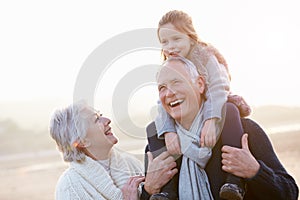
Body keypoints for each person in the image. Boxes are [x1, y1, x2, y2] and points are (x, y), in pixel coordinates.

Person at [146, 57, 299, 200]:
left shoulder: (243, 131)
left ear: (200, 84)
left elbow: (290, 193)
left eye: (177, 82)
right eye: (162, 88)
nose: (169, 93)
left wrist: (255, 171)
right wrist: (148, 189)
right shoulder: (158, 145)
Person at [153, 10, 249, 200]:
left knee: (230, 110)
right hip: (187, 115)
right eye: (164, 42)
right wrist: (169, 131)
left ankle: (235, 181)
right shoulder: (169, 64)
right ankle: (168, 190)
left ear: (190, 37)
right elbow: (162, 100)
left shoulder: (205, 56)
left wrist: (211, 120)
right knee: (153, 129)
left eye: (176, 39)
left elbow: (219, 87)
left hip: (215, 104)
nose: (170, 46)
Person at [49, 100, 178, 200]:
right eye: (96, 119)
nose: (107, 120)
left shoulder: (131, 164)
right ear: (81, 141)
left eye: (101, 115)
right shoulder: (70, 187)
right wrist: (149, 189)